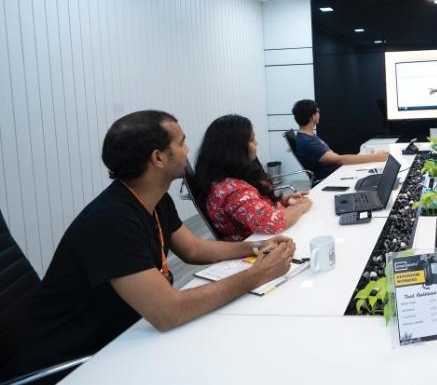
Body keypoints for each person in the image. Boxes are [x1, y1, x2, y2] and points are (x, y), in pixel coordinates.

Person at [12, 111, 296, 377]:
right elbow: (168, 312)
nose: (188, 151)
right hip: (77, 361)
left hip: (130, 333)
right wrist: (258, 274)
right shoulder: (111, 222)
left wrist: (256, 248)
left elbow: (194, 249)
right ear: (158, 158)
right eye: (182, 143)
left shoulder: (155, 198)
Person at [193, 114, 312, 242]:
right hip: (255, 249)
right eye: (252, 140)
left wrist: (283, 200)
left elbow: (254, 205)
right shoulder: (233, 191)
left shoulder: (230, 178)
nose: (256, 143)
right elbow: (274, 222)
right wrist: (300, 207)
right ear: (235, 149)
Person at [292, 99, 388, 181]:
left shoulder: (307, 136)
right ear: (313, 116)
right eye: (318, 111)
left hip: (337, 172)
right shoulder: (308, 142)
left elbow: (333, 156)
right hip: (333, 177)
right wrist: (376, 157)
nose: (319, 113)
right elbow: (339, 160)